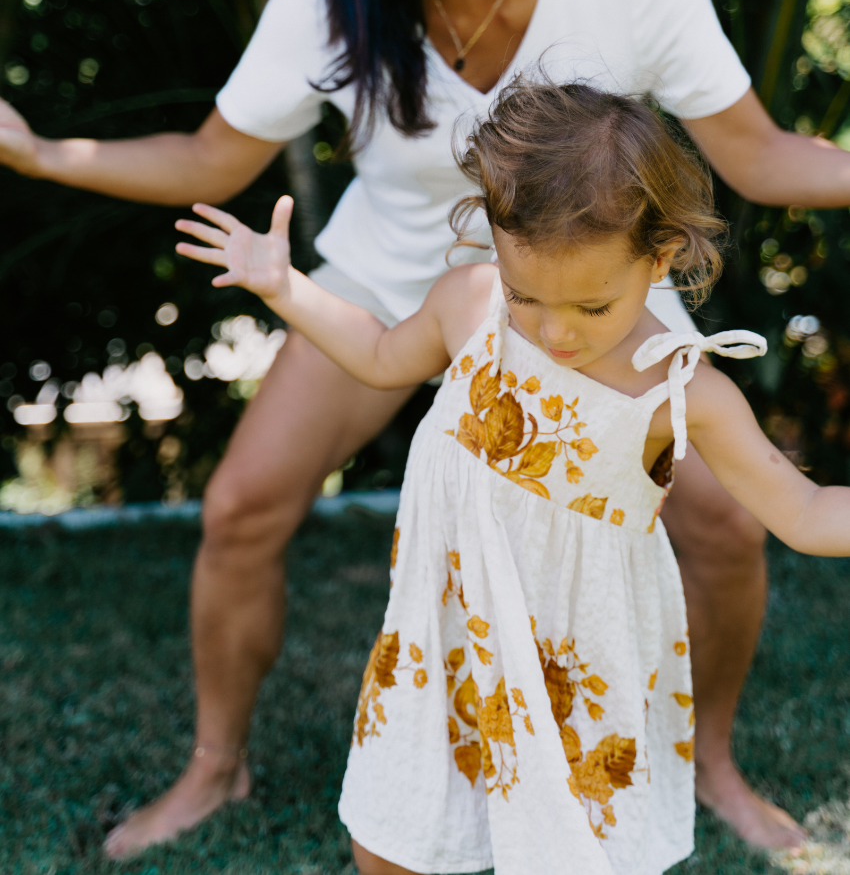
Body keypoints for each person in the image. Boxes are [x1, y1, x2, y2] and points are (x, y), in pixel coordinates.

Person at [1, 0, 849, 856]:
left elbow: (758, 156)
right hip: (409, 273)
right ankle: (216, 766)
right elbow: (211, 157)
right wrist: (36, 151)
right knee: (242, 506)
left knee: (729, 522)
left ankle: (710, 764)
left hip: (596, 287)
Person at [175, 78, 850, 875]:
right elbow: (380, 357)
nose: (556, 331)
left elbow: (803, 511)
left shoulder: (681, 391)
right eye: (529, 296)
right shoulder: (471, 305)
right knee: (392, 833)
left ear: (661, 255)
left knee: (572, 847)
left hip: (580, 662)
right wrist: (285, 289)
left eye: (593, 307)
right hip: (449, 634)